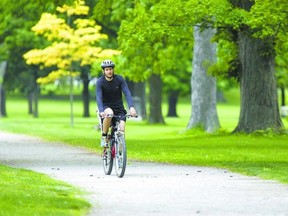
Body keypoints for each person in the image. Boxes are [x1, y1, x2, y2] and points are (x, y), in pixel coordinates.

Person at [96, 59, 137, 147]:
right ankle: (104, 136)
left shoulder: (119, 79)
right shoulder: (100, 82)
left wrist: (131, 107)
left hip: (119, 108)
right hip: (106, 106)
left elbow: (127, 93)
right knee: (110, 113)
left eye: (110, 69)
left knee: (121, 131)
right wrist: (101, 110)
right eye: (107, 70)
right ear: (103, 71)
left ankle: (120, 156)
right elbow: (98, 97)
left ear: (113, 69)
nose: (109, 71)